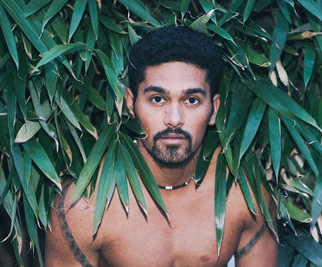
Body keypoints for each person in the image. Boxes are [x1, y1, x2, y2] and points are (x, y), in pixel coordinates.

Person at [45, 25, 278, 266]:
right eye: (157, 99)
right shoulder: (83, 206)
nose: (174, 119)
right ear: (130, 104)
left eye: (191, 100)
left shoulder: (245, 193)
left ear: (213, 110)